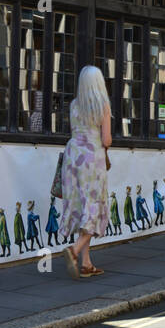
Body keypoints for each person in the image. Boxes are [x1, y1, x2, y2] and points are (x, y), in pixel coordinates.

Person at [60, 64, 111, 278]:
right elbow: (106, 139)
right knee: (95, 206)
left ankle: (86, 264)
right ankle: (75, 250)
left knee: (82, 206)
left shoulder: (74, 105)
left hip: (73, 157)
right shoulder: (103, 105)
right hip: (92, 159)